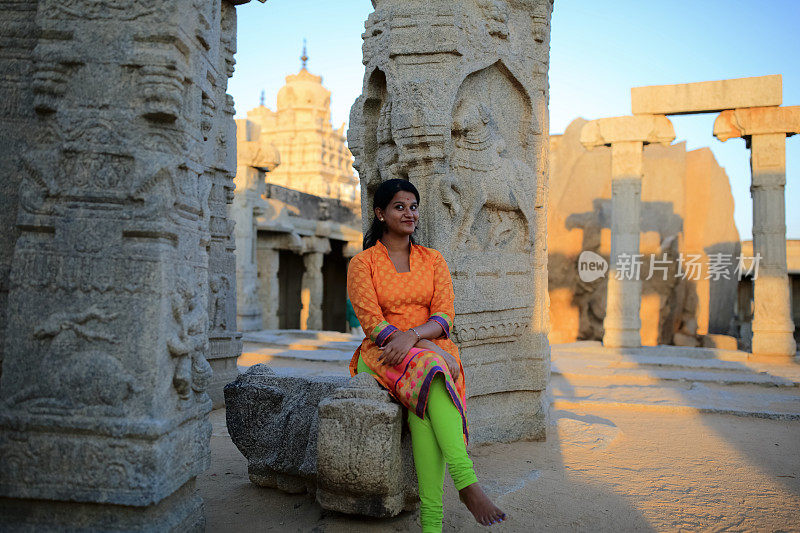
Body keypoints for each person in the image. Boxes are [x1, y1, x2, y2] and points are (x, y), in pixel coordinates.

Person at [347, 178, 506, 532]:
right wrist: (421, 345)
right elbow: (371, 321)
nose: (409, 213)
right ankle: (466, 483)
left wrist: (421, 339)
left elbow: (444, 315)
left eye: (414, 206)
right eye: (399, 207)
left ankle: (431, 525)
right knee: (432, 368)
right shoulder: (364, 263)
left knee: (423, 408)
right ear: (380, 214)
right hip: (383, 350)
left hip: (429, 347)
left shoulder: (432, 260)